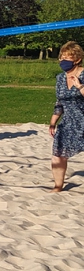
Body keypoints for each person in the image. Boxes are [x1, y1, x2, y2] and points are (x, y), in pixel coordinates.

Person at [49, 41, 84, 193]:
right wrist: (53, 122)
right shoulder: (60, 78)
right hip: (69, 121)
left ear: (77, 59)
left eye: (67, 57)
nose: (63, 61)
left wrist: (80, 86)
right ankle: (58, 186)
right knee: (58, 154)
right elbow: (60, 102)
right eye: (61, 57)